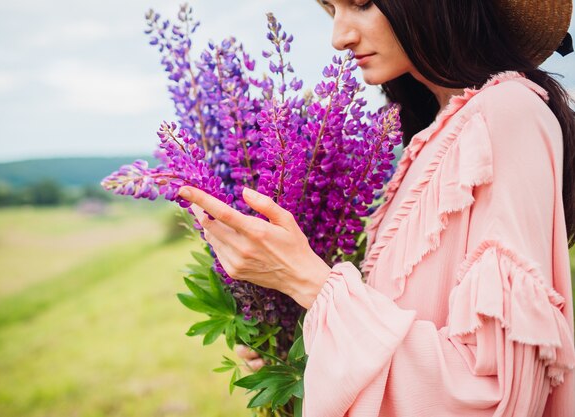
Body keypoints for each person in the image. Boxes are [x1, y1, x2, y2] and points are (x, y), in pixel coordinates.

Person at [177, 0, 575, 415]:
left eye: (362, 4)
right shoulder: (433, 136)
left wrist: (308, 281)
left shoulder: (508, 113)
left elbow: (498, 391)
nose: (339, 37)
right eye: (332, 10)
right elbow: (401, 327)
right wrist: (293, 349)